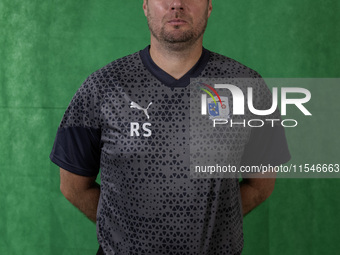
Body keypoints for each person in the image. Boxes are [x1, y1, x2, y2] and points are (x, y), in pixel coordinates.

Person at [50, 0, 290, 254]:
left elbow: (260, 184)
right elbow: (73, 186)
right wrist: (124, 233)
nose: (177, 4)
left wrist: (215, 225)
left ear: (209, 7)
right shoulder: (103, 87)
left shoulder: (245, 86)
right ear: (145, 6)